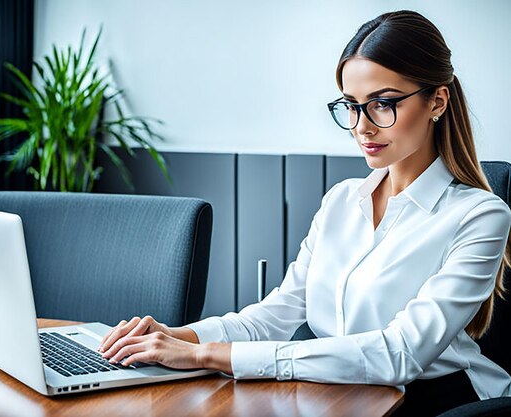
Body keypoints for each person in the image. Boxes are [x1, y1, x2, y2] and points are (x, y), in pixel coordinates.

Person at [98, 10, 511, 416]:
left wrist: (208, 355)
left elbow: (398, 355)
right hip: (337, 395)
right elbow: (276, 315)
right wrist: (179, 337)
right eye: (351, 105)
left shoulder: (480, 215)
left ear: (437, 101)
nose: (361, 127)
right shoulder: (341, 201)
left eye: (382, 104)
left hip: (435, 400)